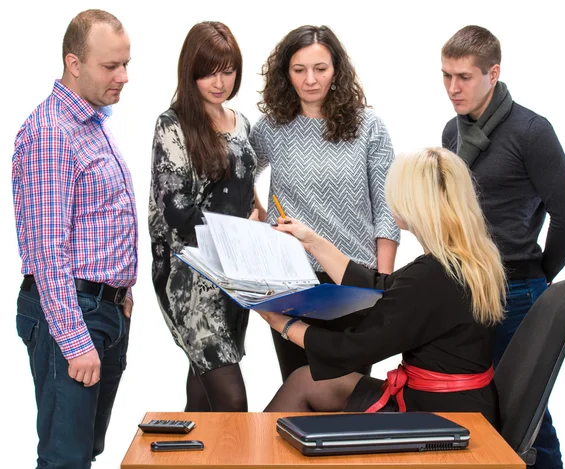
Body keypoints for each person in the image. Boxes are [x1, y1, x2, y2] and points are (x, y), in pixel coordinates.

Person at [259, 147, 506, 428]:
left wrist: (279, 322)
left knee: (303, 383)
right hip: (466, 402)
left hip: (442, 417)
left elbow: (353, 348)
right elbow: (385, 289)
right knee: (304, 380)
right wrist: (312, 241)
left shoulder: (432, 276)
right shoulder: (468, 258)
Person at [440, 25, 565, 468]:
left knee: (527, 413)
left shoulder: (531, 131)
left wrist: (539, 275)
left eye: (463, 77)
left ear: (493, 73)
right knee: (478, 409)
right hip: (464, 290)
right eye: (445, 76)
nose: (452, 88)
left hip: (517, 291)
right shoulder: (452, 132)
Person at [12, 9, 137, 469]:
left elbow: (99, 220)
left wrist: (120, 294)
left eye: (126, 64)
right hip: (73, 316)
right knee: (65, 459)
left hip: (102, 310)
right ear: (74, 63)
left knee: (84, 452)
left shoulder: (91, 123)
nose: (123, 76)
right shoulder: (51, 133)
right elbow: (47, 251)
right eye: (111, 66)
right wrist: (74, 339)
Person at [250, 25, 400, 382]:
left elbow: (387, 209)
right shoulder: (271, 128)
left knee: (348, 392)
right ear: (286, 74)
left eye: (320, 68)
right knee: (298, 389)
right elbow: (238, 178)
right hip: (289, 281)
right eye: (299, 70)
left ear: (337, 70)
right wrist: (263, 223)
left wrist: (384, 283)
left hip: (354, 280)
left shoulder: (369, 126)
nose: (311, 80)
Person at [148, 22, 258, 413]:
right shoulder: (173, 124)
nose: (219, 82)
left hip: (235, 274)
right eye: (209, 71)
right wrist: (237, 234)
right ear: (190, 70)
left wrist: (259, 223)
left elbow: (245, 192)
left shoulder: (242, 122)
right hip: (190, 274)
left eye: (228, 71)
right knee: (232, 399)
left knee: (204, 393)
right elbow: (175, 209)